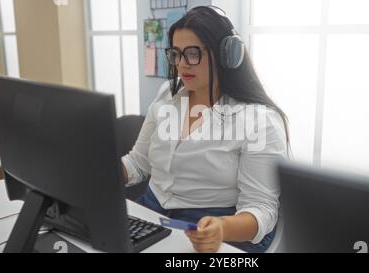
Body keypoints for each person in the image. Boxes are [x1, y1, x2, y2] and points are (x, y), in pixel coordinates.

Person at [122, 6, 289, 253]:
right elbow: (137, 163)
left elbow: (261, 209)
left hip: (213, 225)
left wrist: (222, 228)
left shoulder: (260, 120)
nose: (182, 64)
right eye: (176, 54)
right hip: (152, 210)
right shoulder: (167, 95)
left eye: (192, 53)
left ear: (226, 56)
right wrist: (96, 174)